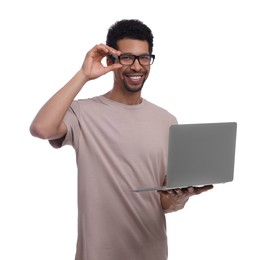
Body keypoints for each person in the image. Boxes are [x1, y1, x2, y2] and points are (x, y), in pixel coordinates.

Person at [30, 19, 213, 260]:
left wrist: (180, 197)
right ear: (110, 61)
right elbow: (42, 128)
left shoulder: (166, 120)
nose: (137, 66)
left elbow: (163, 202)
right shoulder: (83, 113)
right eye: (127, 57)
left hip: (152, 252)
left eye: (144, 58)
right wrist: (84, 74)